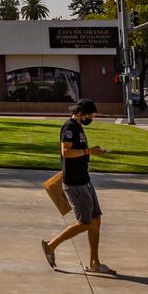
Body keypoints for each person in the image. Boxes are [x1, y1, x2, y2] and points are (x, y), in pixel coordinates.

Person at [41, 98, 114, 274]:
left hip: (85, 180)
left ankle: (95, 263)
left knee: (96, 220)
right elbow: (65, 152)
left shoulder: (78, 126)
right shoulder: (69, 127)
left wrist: (93, 151)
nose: (91, 118)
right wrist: (90, 151)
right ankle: (50, 246)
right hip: (74, 183)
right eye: (90, 115)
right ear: (81, 113)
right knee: (85, 223)